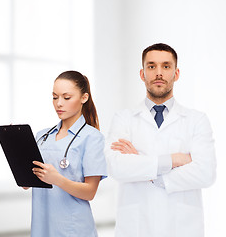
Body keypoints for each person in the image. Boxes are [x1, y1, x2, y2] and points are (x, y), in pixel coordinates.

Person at [105, 43, 216, 237]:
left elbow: (206, 173)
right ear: (142, 74)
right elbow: (117, 167)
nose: (159, 73)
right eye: (151, 66)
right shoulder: (123, 119)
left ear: (176, 73)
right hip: (136, 228)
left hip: (182, 227)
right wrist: (174, 160)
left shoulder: (196, 120)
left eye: (166, 66)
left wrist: (147, 170)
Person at [24, 70, 107, 237]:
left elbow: (90, 192)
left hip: (73, 228)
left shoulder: (92, 137)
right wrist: (16, 148)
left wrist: (57, 179)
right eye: (55, 97)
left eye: (66, 97)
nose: (58, 104)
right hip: (42, 226)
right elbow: (26, 183)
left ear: (84, 98)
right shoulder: (42, 136)